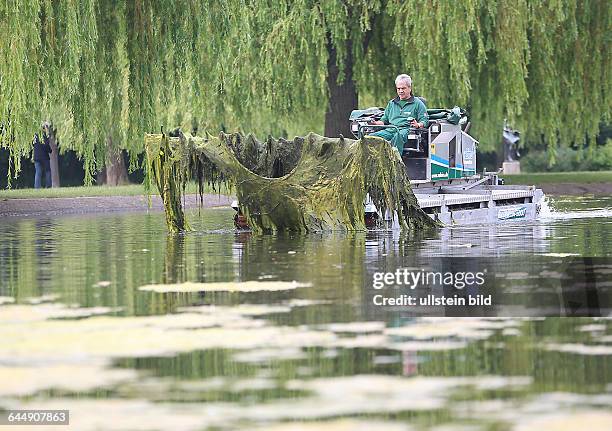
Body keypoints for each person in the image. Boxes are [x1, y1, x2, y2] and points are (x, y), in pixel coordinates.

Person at [369, 74, 429, 154]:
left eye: (403, 88)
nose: (400, 91)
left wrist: (417, 124)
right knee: (370, 138)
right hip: (391, 129)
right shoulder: (392, 103)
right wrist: (375, 123)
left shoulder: (418, 103)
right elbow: (384, 120)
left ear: (410, 88)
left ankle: (395, 162)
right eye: (398, 88)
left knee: (398, 137)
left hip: (406, 130)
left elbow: (425, 121)